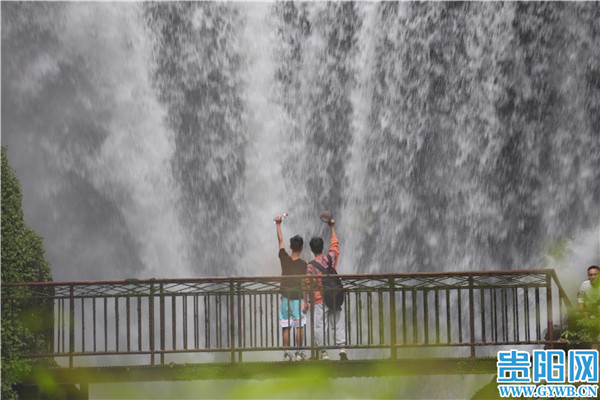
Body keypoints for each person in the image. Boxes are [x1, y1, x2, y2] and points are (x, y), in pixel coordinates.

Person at [306, 218, 347, 361]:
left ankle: (324, 353)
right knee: (337, 322)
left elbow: (307, 284)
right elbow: (335, 246)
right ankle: (342, 348)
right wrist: (332, 227)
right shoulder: (330, 259)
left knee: (319, 325)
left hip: (319, 298)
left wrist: (307, 301)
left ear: (311, 249)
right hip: (334, 295)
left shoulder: (310, 266)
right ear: (323, 247)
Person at [274, 215, 309, 361]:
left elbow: (280, 241)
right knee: (299, 325)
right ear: (301, 248)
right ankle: (299, 353)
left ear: (290, 247)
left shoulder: (284, 259)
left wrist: (278, 224)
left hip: (286, 297)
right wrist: (306, 301)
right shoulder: (303, 264)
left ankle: (286, 353)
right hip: (297, 298)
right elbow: (304, 284)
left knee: (286, 326)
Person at [577, 265, 600, 349]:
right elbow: (580, 299)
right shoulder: (584, 285)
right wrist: (584, 313)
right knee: (591, 336)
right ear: (588, 276)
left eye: (595, 274)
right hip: (588, 313)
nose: (593, 277)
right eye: (590, 275)